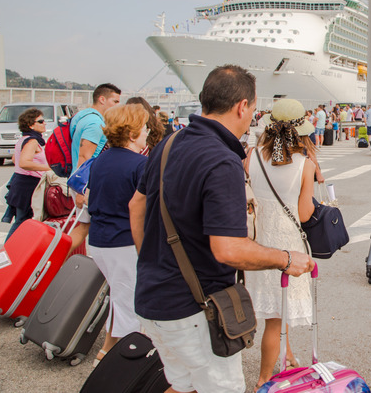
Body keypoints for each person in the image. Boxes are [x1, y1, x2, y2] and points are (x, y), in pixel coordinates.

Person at [130, 65, 315, 393]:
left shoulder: (169, 144)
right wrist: (286, 258)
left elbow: (136, 206)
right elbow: (227, 249)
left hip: (152, 297)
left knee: (183, 384)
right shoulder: (221, 159)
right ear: (242, 106)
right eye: (253, 109)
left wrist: (155, 264)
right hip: (195, 310)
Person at [244, 98, 317, 391]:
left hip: (259, 243)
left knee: (278, 308)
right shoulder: (305, 165)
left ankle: (286, 356)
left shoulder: (251, 156)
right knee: (275, 318)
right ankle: (263, 379)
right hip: (287, 244)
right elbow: (304, 213)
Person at [87, 104, 150, 366]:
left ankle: (106, 352)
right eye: (144, 127)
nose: (147, 131)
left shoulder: (102, 159)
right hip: (124, 242)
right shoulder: (141, 164)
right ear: (133, 133)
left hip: (100, 241)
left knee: (118, 299)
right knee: (131, 308)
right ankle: (123, 366)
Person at [68, 83, 121, 253]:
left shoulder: (81, 116)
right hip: (85, 183)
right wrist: (82, 190)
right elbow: (85, 156)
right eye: (115, 101)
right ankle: (53, 260)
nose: (117, 106)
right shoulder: (95, 123)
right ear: (102, 99)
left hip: (81, 181)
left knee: (83, 228)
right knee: (82, 229)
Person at [5, 108, 50, 241]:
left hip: (21, 183)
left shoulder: (24, 139)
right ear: (31, 125)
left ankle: (10, 251)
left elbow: (15, 159)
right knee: (23, 221)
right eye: (41, 121)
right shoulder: (32, 141)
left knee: (22, 220)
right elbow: (24, 162)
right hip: (28, 185)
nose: (44, 123)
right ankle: (7, 252)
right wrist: (47, 168)